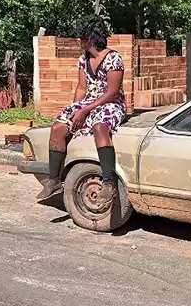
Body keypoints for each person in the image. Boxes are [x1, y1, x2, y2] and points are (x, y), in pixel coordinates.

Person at [37, 16, 126, 208]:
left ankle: (109, 183)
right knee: (58, 128)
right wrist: (75, 110)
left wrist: (84, 111)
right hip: (89, 104)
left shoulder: (113, 58)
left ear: (90, 38)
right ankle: (54, 180)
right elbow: (81, 88)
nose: (79, 41)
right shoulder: (83, 59)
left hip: (111, 103)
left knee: (100, 127)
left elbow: (112, 93)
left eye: (82, 37)